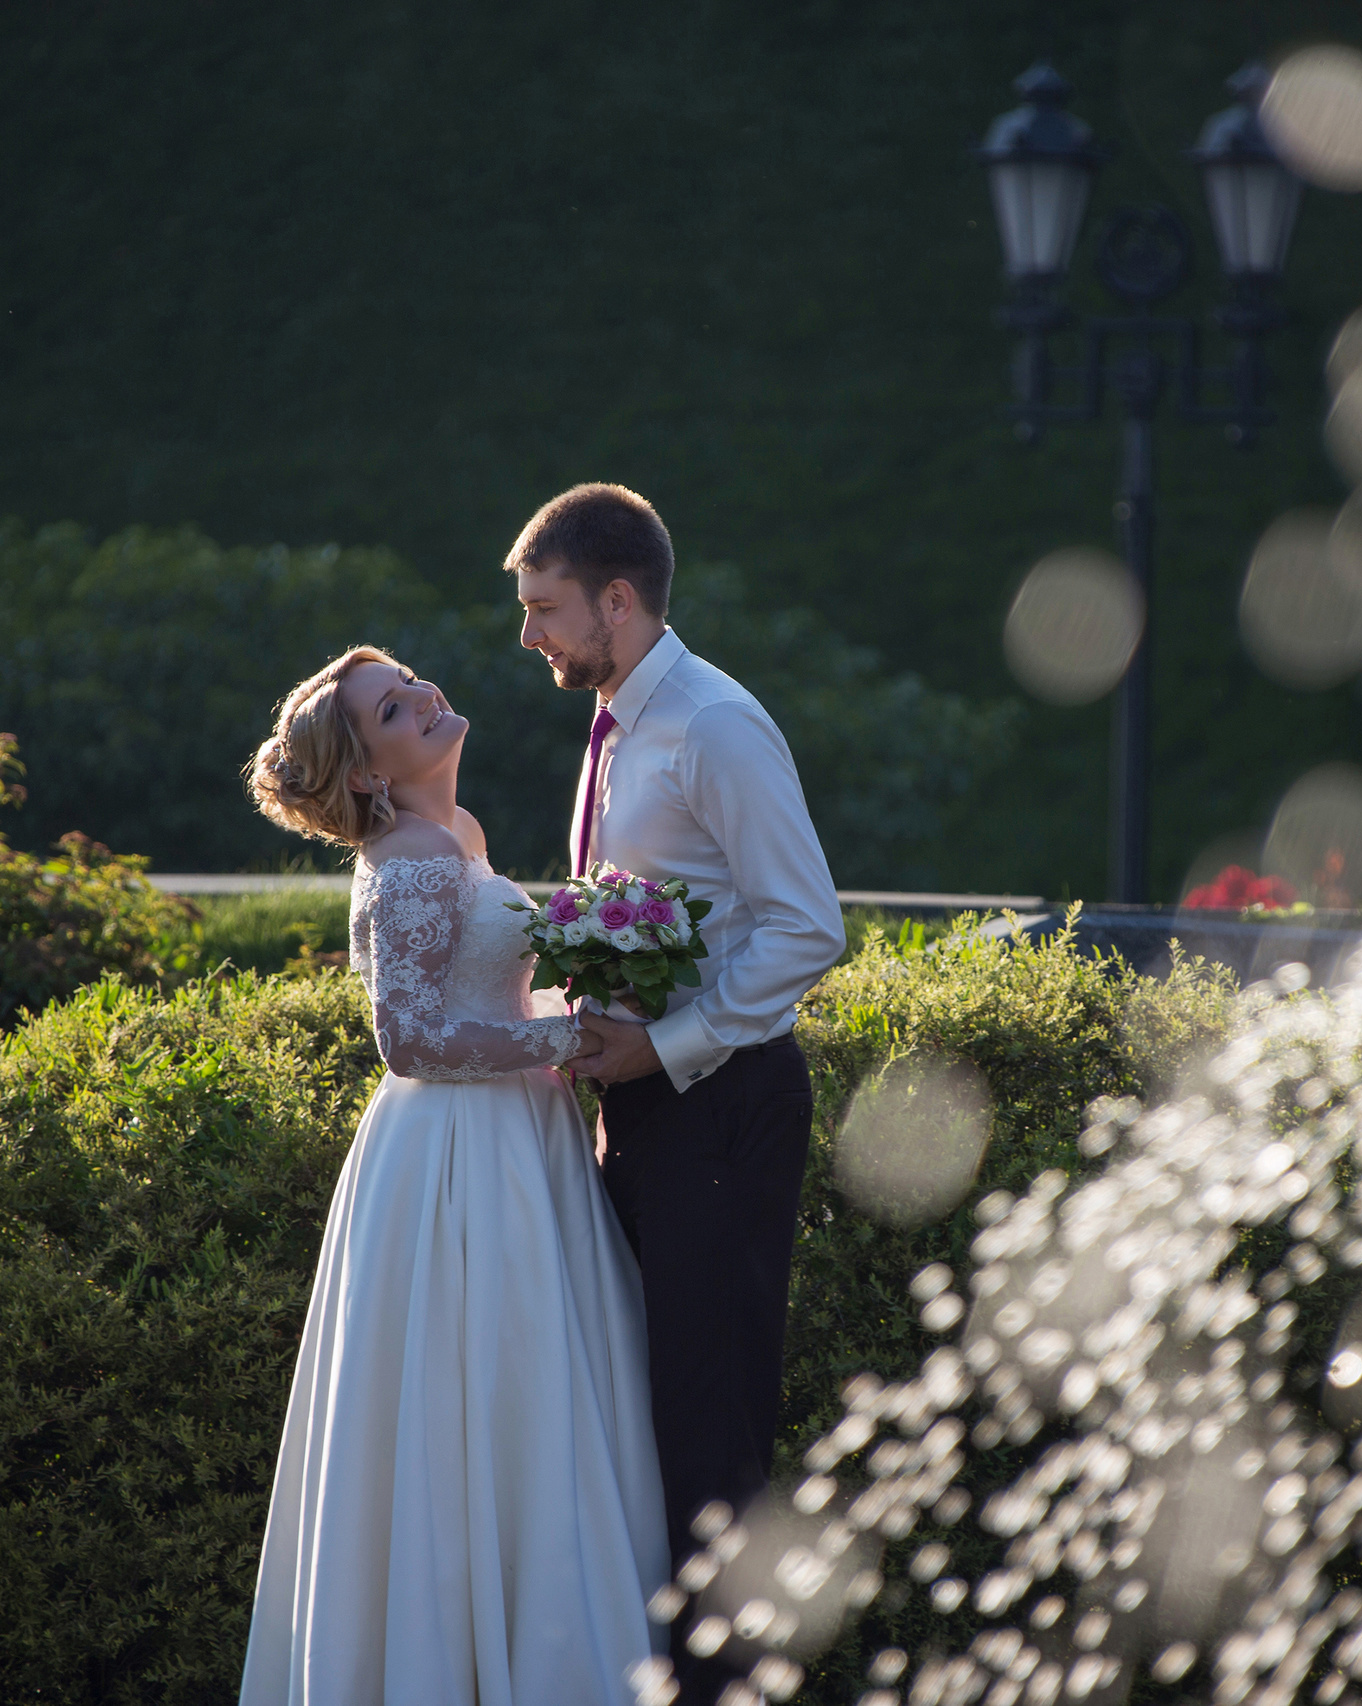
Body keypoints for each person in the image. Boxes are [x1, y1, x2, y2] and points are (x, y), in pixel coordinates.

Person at [235, 645, 668, 1706]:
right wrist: (569, 1041)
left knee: (521, 1396)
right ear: (371, 769)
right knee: (476, 1394)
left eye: (411, 678)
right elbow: (412, 1037)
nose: (424, 696)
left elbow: (480, 992)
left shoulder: (454, 836)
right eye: (392, 705)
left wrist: (588, 983)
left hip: (518, 1136)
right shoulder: (415, 857)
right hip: (456, 1164)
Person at [509, 484, 847, 1699]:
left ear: (618, 597)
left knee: (712, 1436)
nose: (530, 634)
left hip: (724, 1102)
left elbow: (808, 927)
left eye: (544, 608)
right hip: (649, 1105)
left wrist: (670, 1044)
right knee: (649, 1424)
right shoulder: (615, 721)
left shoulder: (713, 723)